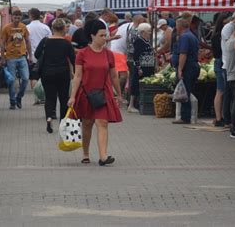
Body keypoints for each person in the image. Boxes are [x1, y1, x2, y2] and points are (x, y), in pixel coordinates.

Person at [68, 20, 123, 166]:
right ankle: (85, 153)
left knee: (102, 122)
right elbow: (77, 76)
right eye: (101, 36)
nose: (104, 39)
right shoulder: (82, 54)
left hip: (103, 94)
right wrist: (72, 96)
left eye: (106, 35)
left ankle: (103, 157)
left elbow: (114, 76)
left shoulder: (109, 54)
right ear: (92, 36)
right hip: (86, 93)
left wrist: (119, 94)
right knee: (87, 123)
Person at [35, 18, 75, 134]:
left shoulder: (45, 41)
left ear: (52, 29)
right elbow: (73, 60)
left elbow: (37, 55)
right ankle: (63, 124)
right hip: (63, 73)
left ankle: (49, 117)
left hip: (47, 73)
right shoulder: (66, 43)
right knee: (63, 99)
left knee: (49, 98)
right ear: (63, 29)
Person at [0, 10, 31, 110]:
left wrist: (30, 55)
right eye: (15, 17)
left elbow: (27, 41)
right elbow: (2, 43)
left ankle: (19, 97)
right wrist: (3, 57)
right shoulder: (6, 28)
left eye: (18, 17)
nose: (17, 19)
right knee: (11, 81)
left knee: (26, 78)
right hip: (10, 57)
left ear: (21, 17)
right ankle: (12, 101)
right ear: (12, 17)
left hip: (22, 56)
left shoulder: (23, 27)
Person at [172, 13, 200, 124]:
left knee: (185, 92)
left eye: (176, 26)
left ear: (180, 27)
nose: (175, 28)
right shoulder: (192, 35)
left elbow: (183, 54)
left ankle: (185, 117)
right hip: (193, 66)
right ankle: (186, 116)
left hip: (188, 67)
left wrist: (180, 69)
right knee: (187, 90)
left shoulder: (184, 37)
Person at [221, 9, 235, 127]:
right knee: (233, 98)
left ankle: (229, 121)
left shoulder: (231, 37)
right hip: (230, 68)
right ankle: (230, 122)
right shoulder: (232, 35)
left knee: (231, 96)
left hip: (229, 66)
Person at [128, 23, 156, 113]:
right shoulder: (139, 41)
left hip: (148, 67)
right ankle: (131, 105)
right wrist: (139, 67)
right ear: (143, 32)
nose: (150, 33)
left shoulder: (146, 41)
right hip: (142, 67)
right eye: (148, 31)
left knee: (144, 85)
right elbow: (136, 55)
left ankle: (139, 103)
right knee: (136, 84)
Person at [210, 13, 230, 127]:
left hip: (218, 62)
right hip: (221, 62)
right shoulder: (220, 36)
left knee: (220, 91)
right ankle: (219, 117)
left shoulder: (215, 35)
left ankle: (219, 116)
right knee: (221, 91)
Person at [26, 8, 51, 89]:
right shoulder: (45, 27)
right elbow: (50, 40)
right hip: (44, 56)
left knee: (33, 77)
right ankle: (43, 95)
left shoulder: (27, 28)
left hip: (32, 55)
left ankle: (36, 97)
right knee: (44, 77)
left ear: (31, 15)